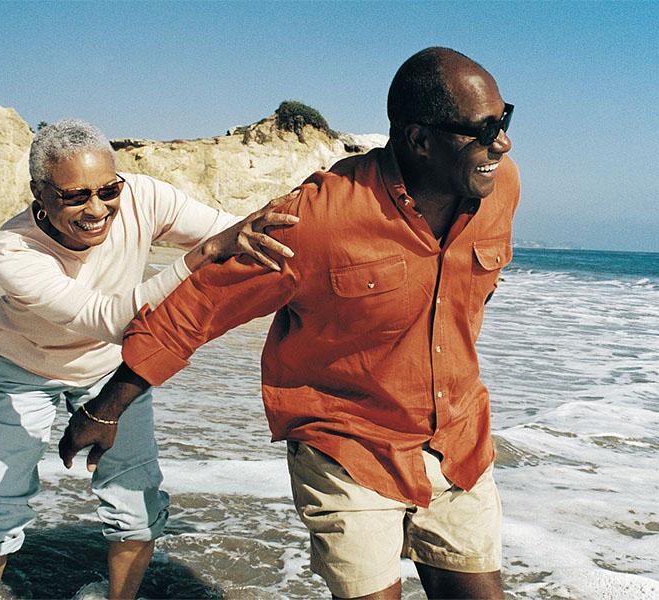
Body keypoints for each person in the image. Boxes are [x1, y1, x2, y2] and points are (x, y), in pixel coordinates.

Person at [60, 47, 519, 600]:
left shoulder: (498, 188)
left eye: (505, 119)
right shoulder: (318, 218)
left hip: (458, 441)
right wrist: (105, 409)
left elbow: (470, 295)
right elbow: (197, 309)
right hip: (348, 449)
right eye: (483, 129)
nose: (502, 142)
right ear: (420, 139)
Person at [0, 119, 297, 600]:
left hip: (111, 371)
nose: (97, 210)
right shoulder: (13, 251)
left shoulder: (144, 197)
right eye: (75, 197)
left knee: (135, 503)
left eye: (108, 190)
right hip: (19, 373)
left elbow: (231, 234)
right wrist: (202, 256)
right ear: (40, 192)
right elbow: (109, 318)